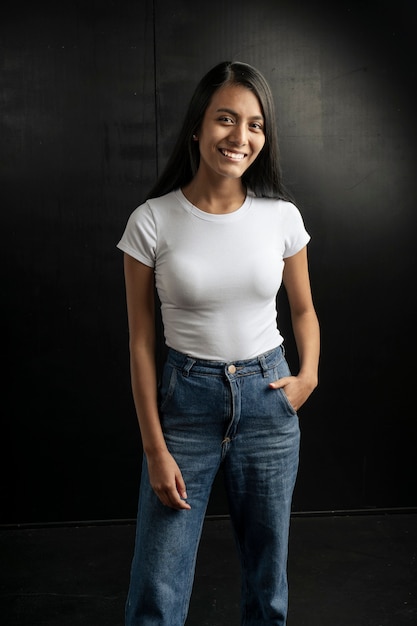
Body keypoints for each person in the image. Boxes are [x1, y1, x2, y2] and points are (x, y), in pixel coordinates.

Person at [117, 60, 320, 626]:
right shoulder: (151, 222)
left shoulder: (281, 217)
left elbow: (303, 310)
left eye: (255, 124)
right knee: (157, 590)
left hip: (269, 397)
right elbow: (139, 344)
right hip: (186, 406)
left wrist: (308, 377)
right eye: (226, 119)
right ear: (198, 127)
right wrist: (156, 450)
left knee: (267, 582)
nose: (240, 137)